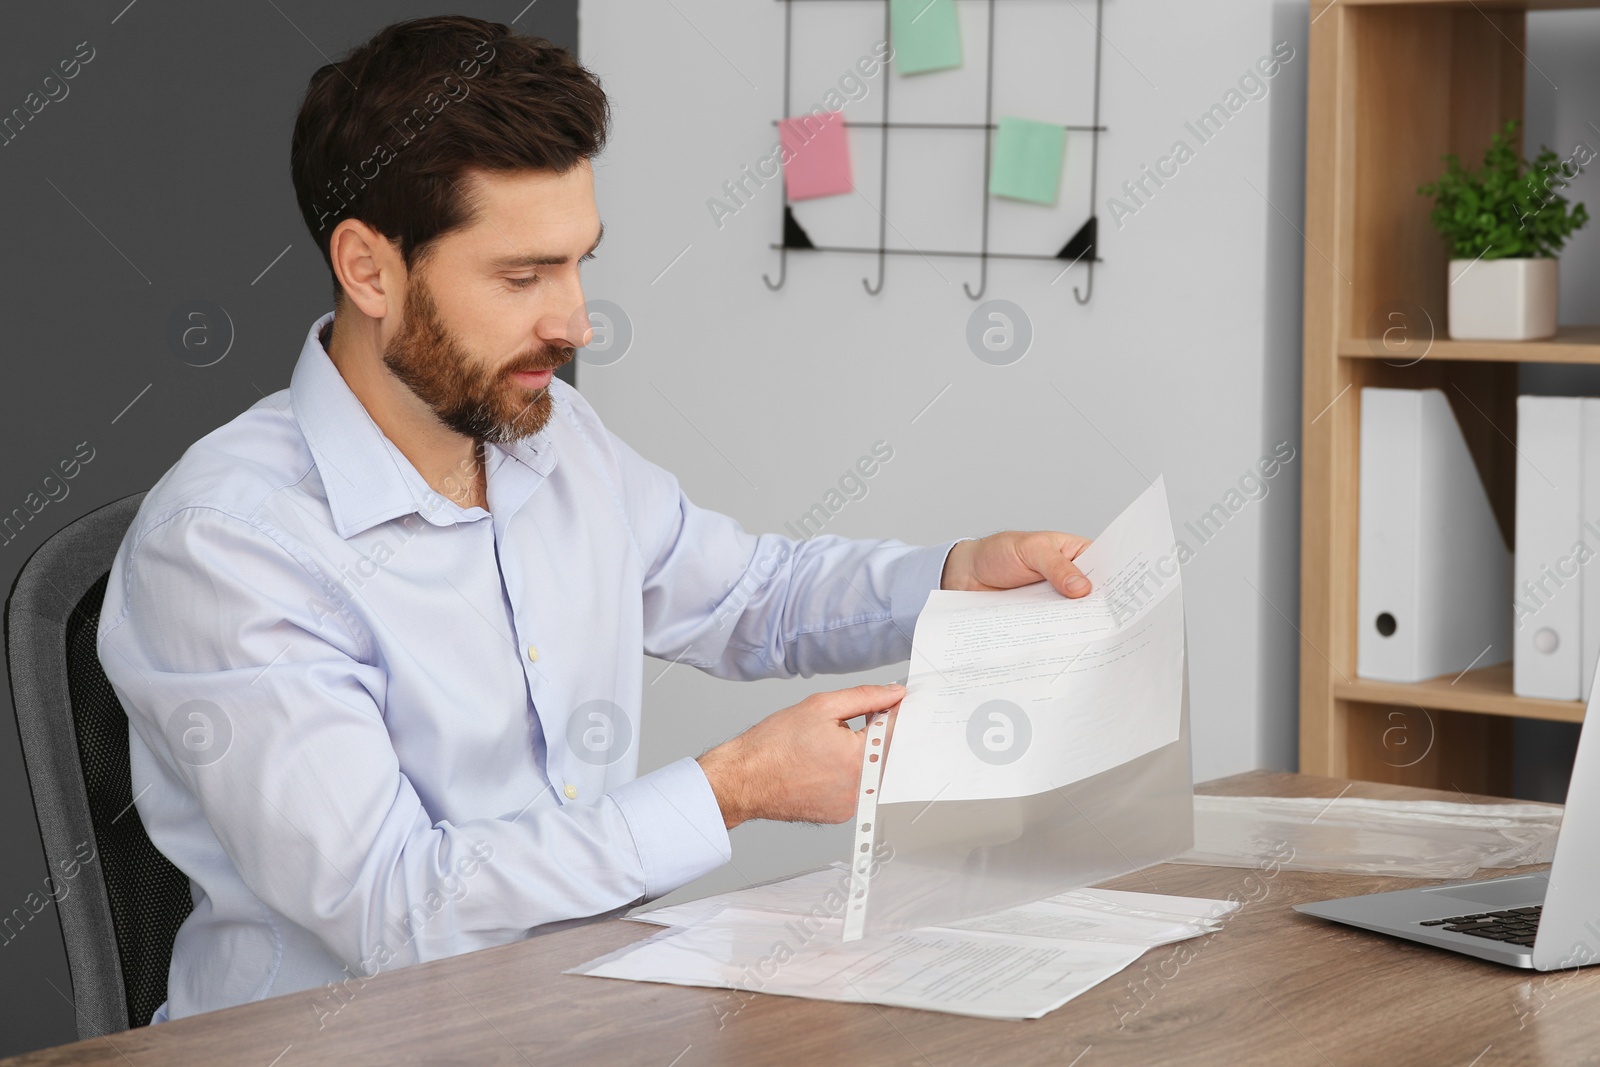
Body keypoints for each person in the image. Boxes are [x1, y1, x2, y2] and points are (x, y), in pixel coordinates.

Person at [97, 15, 1093, 1022]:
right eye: (522, 276)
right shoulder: (226, 542)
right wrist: (734, 786)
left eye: (579, 264)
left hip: (581, 1018)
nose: (573, 322)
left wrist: (956, 575)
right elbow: (394, 911)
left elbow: (747, 595)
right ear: (369, 269)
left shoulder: (548, 435)